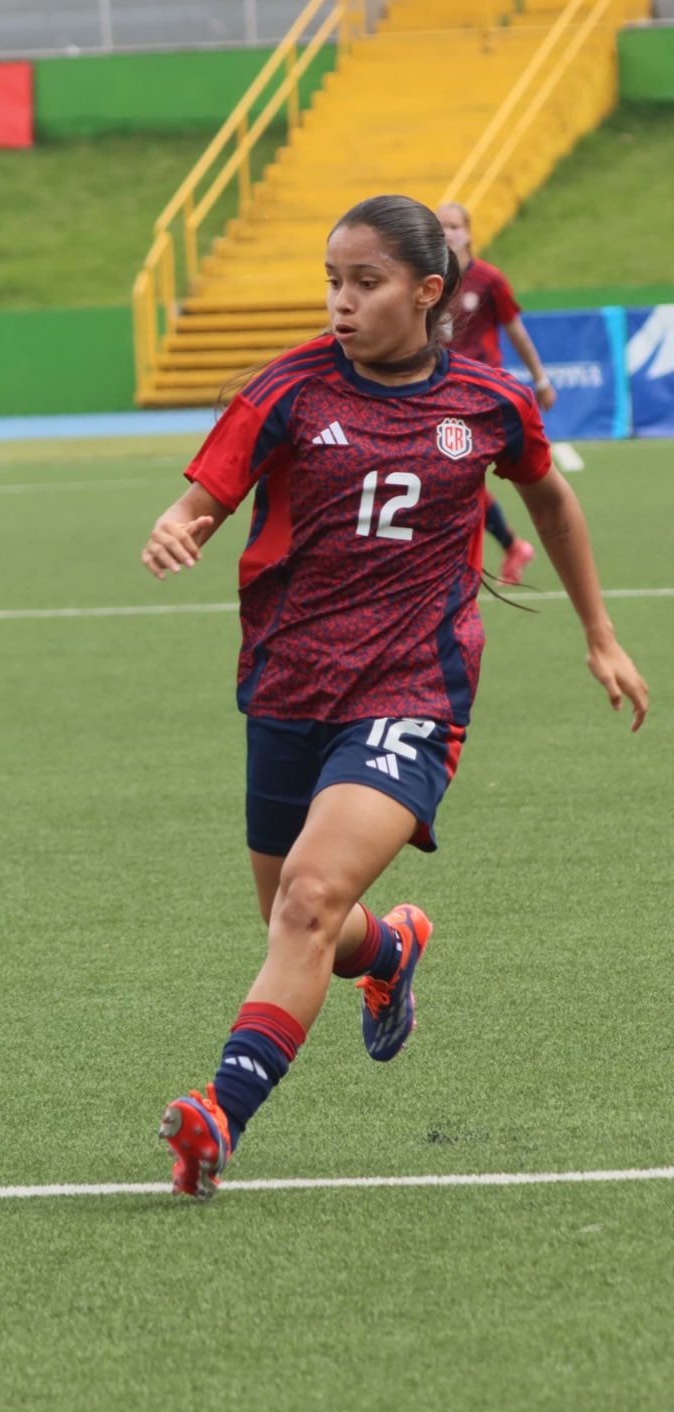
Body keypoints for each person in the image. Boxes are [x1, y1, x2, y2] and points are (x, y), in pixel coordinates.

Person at [140, 194, 648, 1203]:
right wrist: (180, 524)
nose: (339, 302)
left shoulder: (486, 403)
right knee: (304, 924)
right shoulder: (285, 389)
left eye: (362, 283)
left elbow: (546, 493)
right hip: (287, 686)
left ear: (425, 292)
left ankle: (216, 1116)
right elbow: (202, 495)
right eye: (329, 281)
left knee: (307, 898)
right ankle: (394, 943)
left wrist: (597, 631)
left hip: (412, 689)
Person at [437, 202, 557, 586]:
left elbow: (516, 332)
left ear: (469, 232)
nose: (448, 233)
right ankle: (510, 546)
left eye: (454, 226)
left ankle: (471, 562)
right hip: (440, 391)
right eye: (440, 227)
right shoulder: (430, 281)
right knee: (453, 477)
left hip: (481, 393)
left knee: (458, 474)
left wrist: (540, 379)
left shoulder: (489, 279)